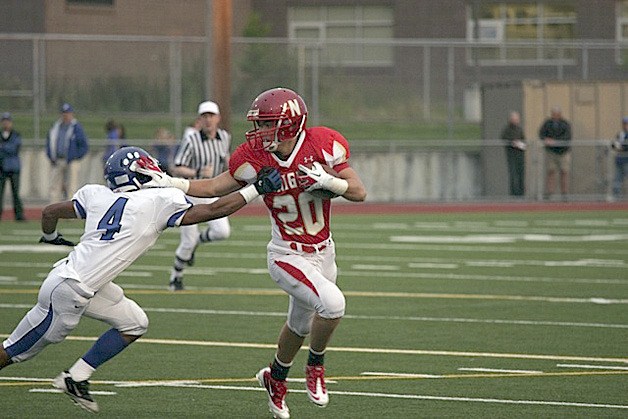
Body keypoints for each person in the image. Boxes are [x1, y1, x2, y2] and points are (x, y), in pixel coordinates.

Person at [134, 87, 367, 419]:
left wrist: (331, 183)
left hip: (324, 253)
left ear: (288, 124)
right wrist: (172, 182)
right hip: (286, 255)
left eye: (268, 124)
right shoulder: (256, 157)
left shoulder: (322, 145)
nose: (260, 132)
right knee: (333, 305)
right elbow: (215, 187)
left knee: (299, 325)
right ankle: (315, 365)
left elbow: (359, 191)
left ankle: (276, 377)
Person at [0, 146, 281, 413]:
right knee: (12, 351)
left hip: (79, 283)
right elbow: (211, 210)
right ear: (137, 174)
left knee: (134, 323)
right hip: (68, 292)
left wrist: (50, 237)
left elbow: (49, 212)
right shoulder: (156, 201)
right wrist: (255, 189)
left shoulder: (96, 195)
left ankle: (76, 377)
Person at [168, 100, 232, 291]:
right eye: (204, 117)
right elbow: (177, 167)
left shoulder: (224, 137)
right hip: (193, 193)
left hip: (214, 191)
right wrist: (197, 170)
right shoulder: (192, 140)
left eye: (211, 116)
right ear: (200, 120)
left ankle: (198, 241)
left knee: (222, 232)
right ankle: (175, 277)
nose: (208, 120)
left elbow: (225, 159)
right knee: (187, 241)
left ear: (218, 118)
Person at [46, 103, 89, 202]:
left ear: (72, 114)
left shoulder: (76, 127)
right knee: (55, 186)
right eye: (64, 113)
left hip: (71, 160)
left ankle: (71, 209)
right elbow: (49, 142)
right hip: (57, 160)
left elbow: (84, 145)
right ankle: (53, 208)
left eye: (68, 113)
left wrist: (76, 157)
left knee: (72, 186)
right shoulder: (56, 127)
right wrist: (51, 155)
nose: (65, 116)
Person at [538, 106, 572, 198]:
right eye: (553, 114)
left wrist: (555, 141)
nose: (555, 116)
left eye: (557, 114)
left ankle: (564, 193)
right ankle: (550, 193)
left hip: (563, 152)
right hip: (551, 152)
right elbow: (541, 134)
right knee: (551, 172)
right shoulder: (547, 123)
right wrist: (546, 140)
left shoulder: (565, 124)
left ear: (560, 114)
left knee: (564, 172)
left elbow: (567, 137)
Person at [0, 112, 24, 221]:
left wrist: (3, 147)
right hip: (2, 167)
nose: (6, 123)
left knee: (15, 193)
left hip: (14, 168)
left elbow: (14, 148)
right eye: (4, 121)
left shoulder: (16, 135)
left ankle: (19, 215)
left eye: (7, 121)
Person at [500, 111, 526, 196]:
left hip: (520, 155)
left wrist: (521, 144)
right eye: (514, 119)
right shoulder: (506, 130)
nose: (515, 121)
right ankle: (513, 194)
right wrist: (512, 142)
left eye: (517, 119)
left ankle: (521, 193)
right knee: (513, 174)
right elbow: (504, 138)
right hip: (511, 155)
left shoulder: (520, 129)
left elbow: (524, 140)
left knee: (521, 174)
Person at [611, 116, 628, 198]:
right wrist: (619, 147)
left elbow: (625, 147)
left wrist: (621, 147)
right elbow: (613, 144)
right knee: (617, 180)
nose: (625, 125)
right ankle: (617, 198)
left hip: (627, 160)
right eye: (624, 123)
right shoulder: (620, 134)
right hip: (619, 160)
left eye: (626, 124)